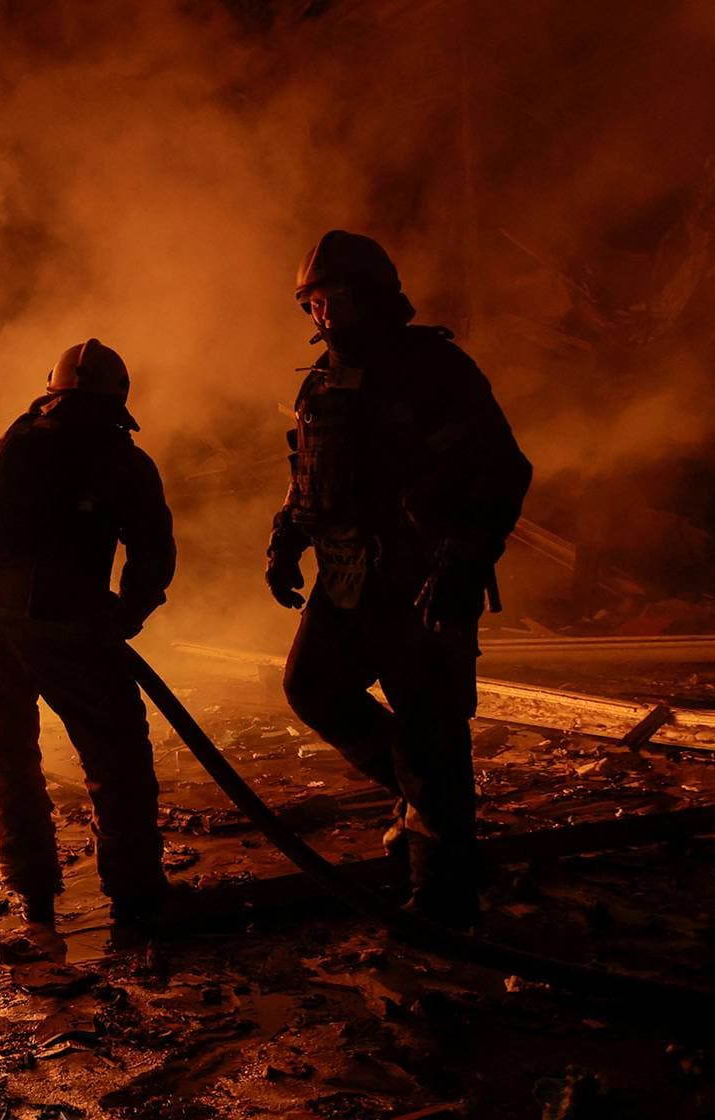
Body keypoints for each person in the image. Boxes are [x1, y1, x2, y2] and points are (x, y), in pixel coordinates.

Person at [266, 231, 532, 929]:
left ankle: (443, 898)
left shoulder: (436, 370)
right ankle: (422, 804)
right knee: (312, 687)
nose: (323, 314)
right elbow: (312, 479)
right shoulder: (320, 382)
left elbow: (504, 471)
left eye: (335, 297)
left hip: (422, 579)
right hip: (348, 577)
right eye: (312, 302)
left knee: (430, 730)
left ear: (375, 296)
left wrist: (461, 565)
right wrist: (287, 538)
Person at [0, 338, 176, 934]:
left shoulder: (1, 450)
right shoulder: (121, 460)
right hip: (64, 622)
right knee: (115, 756)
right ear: (116, 399)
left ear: (52, 390)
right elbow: (152, 552)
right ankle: (135, 898)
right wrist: (128, 613)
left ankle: (34, 899)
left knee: (7, 758)